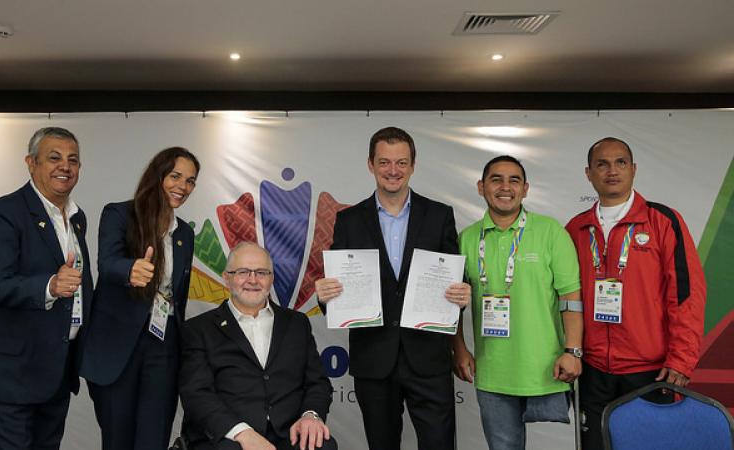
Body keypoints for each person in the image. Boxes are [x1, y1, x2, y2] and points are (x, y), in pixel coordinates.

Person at [314, 127, 471, 450]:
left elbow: (453, 281)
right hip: (374, 359)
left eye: (401, 162)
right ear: (370, 164)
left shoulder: (439, 215)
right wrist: (326, 297)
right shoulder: (349, 220)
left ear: (413, 165)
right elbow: (338, 290)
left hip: (428, 357)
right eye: (384, 162)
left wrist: (462, 295)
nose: (393, 170)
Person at [0, 127, 92, 450]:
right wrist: (50, 285)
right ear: (31, 163)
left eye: (73, 160)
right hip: (9, 376)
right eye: (54, 158)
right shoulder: (2, 212)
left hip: (55, 374)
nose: (65, 166)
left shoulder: (77, 218)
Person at [565, 137, 706, 450]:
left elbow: (686, 295)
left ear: (634, 169)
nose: (612, 170)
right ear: (588, 173)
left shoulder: (663, 221)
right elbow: (563, 300)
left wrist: (682, 359)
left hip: (650, 371)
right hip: (593, 370)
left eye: (621, 162)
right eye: (602, 164)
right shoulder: (576, 228)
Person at [454, 155, 583, 450]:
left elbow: (571, 298)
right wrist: (459, 348)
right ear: (481, 187)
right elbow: (452, 305)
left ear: (525, 189)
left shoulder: (551, 232)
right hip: (492, 371)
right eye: (496, 179)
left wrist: (573, 351)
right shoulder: (467, 239)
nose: (505, 187)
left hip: (548, 367)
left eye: (514, 180)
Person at [80, 147, 199, 450]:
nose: (183, 186)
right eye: (175, 176)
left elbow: (178, 297)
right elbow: (107, 263)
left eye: (190, 181)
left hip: (163, 346)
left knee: (154, 438)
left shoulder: (184, 234)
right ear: (158, 176)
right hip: (118, 347)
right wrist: (130, 269)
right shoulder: (119, 214)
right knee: (118, 440)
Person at [179, 242, 336, 450]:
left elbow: (318, 383)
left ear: (272, 278)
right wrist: (241, 432)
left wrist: (311, 415)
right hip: (228, 437)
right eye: (243, 272)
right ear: (227, 278)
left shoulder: (297, 323)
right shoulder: (199, 329)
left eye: (262, 273)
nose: (253, 280)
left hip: (289, 434)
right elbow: (196, 394)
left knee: (322, 445)